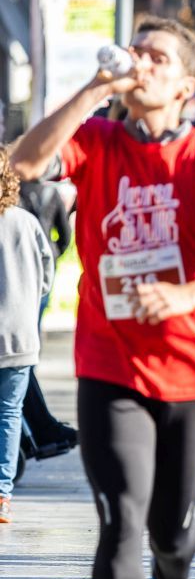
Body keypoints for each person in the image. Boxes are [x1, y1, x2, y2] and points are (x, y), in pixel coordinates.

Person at [10, 16, 195, 579]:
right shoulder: (98, 139)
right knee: (120, 523)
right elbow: (23, 163)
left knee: (171, 530)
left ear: (185, 85)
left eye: (156, 57)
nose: (140, 63)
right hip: (111, 365)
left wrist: (187, 295)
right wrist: (91, 90)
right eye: (136, 53)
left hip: (194, 370)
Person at [1, 145, 54, 524]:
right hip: (19, 337)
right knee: (9, 413)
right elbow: (46, 275)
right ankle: (2, 492)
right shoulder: (25, 221)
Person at [16, 176, 78, 453]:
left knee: (20, 360)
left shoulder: (16, 201)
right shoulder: (48, 194)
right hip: (37, 275)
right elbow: (64, 236)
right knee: (27, 346)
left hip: (17, 276)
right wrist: (54, 253)